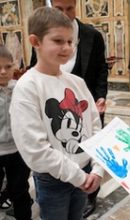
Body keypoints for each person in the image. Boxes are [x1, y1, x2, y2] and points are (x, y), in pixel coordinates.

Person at [10, 7, 104, 220]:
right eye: (58, 41)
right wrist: (77, 176)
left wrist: (97, 169)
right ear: (36, 42)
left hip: (85, 171)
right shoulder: (28, 87)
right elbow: (35, 149)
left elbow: (94, 126)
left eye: (70, 42)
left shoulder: (76, 82)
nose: (66, 47)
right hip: (54, 180)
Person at [0, 44, 32, 220]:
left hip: (18, 150)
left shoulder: (21, 89)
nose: (3, 72)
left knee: (20, 191)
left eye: (8, 67)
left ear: (14, 66)